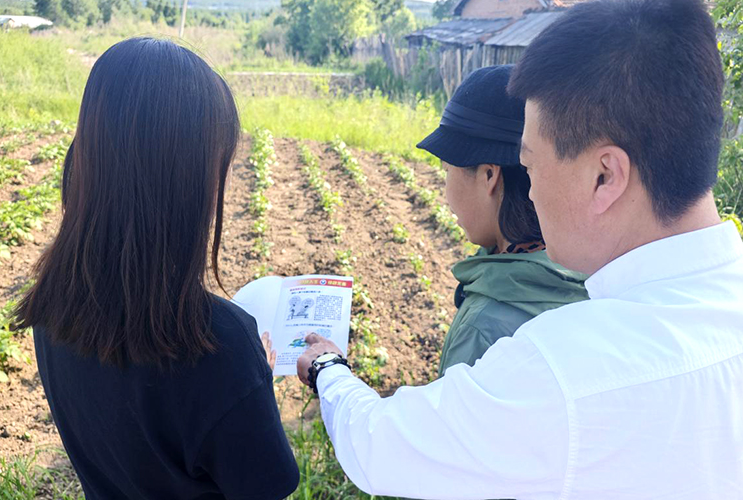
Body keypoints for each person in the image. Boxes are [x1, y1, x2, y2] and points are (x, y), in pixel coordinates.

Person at [295, 0, 743, 498]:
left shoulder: (563, 372)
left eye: (530, 167)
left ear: (605, 176)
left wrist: (328, 369)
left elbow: (379, 445)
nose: (530, 193)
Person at [15, 38, 299, 500]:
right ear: (191, 181)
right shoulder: (220, 346)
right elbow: (266, 486)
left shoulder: (52, 302)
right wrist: (254, 383)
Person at [416, 64, 588, 377]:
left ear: (489, 175)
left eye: (446, 170)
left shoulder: (482, 329)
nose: (445, 192)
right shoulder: (596, 278)